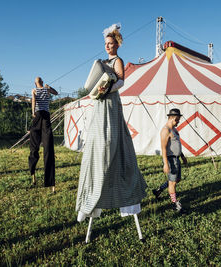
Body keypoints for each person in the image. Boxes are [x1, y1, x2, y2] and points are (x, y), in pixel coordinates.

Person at [76, 23, 147, 222]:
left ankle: (122, 199)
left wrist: (106, 89)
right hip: (99, 105)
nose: (108, 46)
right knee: (98, 144)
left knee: (110, 142)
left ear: (117, 44)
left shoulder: (117, 60)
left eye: (111, 43)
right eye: (106, 44)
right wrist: (96, 91)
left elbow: (122, 81)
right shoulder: (102, 62)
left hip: (110, 104)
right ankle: (90, 203)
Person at [153, 108, 188, 213]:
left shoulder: (174, 129)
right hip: (170, 159)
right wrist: (165, 164)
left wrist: (182, 156)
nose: (179, 121)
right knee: (172, 183)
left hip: (177, 158)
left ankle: (159, 190)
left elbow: (177, 144)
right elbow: (163, 148)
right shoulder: (165, 130)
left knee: (177, 180)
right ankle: (174, 204)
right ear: (173, 118)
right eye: (178, 119)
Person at [29, 77, 58, 193]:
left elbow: (33, 101)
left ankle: (36, 176)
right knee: (43, 148)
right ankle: (36, 177)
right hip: (44, 116)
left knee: (38, 148)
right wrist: (49, 87)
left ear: (36, 83)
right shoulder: (43, 90)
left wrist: (32, 112)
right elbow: (56, 93)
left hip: (40, 117)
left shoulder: (35, 90)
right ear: (40, 82)